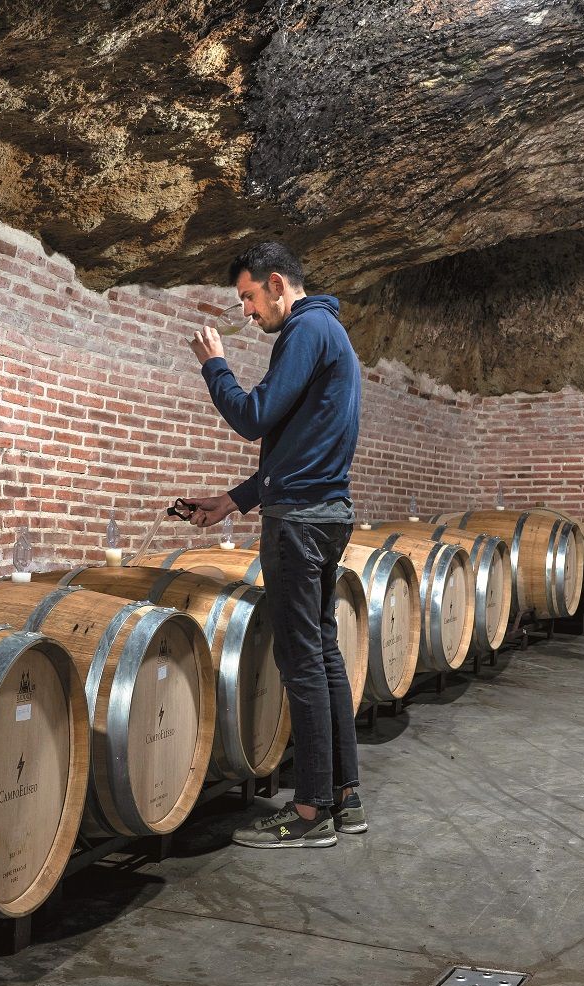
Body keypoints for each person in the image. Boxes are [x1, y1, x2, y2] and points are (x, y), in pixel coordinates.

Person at [182, 241, 365, 849]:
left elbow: (254, 416)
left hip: (300, 522)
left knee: (302, 661)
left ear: (278, 284)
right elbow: (293, 448)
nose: (248, 313)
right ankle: (343, 796)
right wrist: (233, 501)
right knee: (324, 654)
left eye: (250, 297)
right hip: (325, 512)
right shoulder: (329, 333)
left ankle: (310, 813)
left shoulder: (307, 331)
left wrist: (216, 365)